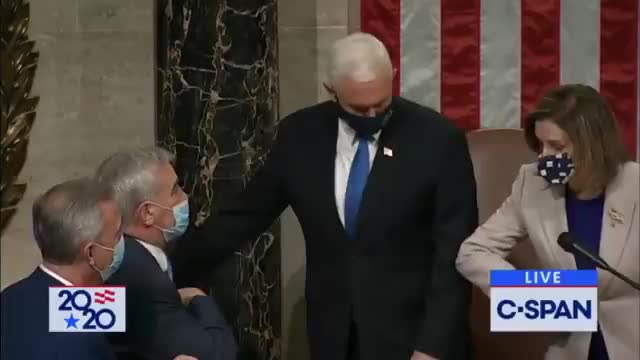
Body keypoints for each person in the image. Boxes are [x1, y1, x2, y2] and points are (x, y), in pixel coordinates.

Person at [173, 32, 478, 360]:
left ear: (393, 78)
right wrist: (166, 268)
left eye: (382, 105)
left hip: (413, 337)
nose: (373, 116)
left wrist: (432, 347)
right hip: (333, 334)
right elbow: (243, 217)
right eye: (359, 108)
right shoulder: (300, 136)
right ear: (330, 90)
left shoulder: (438, 140)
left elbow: (454, 253)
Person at [456, 84, 639, 360]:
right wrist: (532, 297)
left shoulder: (635, 185)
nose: (543, 157)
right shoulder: (534, 184)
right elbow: (472, 253)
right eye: (539, 145)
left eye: (556, 146)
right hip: (568, 350)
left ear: (593, 145)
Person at [95, 147, 237, 360]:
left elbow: (65, 317)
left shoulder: (115, 257)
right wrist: (199, 298)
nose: (184, 196)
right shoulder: (142, 278)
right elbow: (219, 354)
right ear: (148, 213)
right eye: (175, 190)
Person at [1, 178, 123, 360]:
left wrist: (173, 297)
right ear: (91, 252)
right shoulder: (78, 345)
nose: (123, 241)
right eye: (117, 234)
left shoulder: (10, 296)